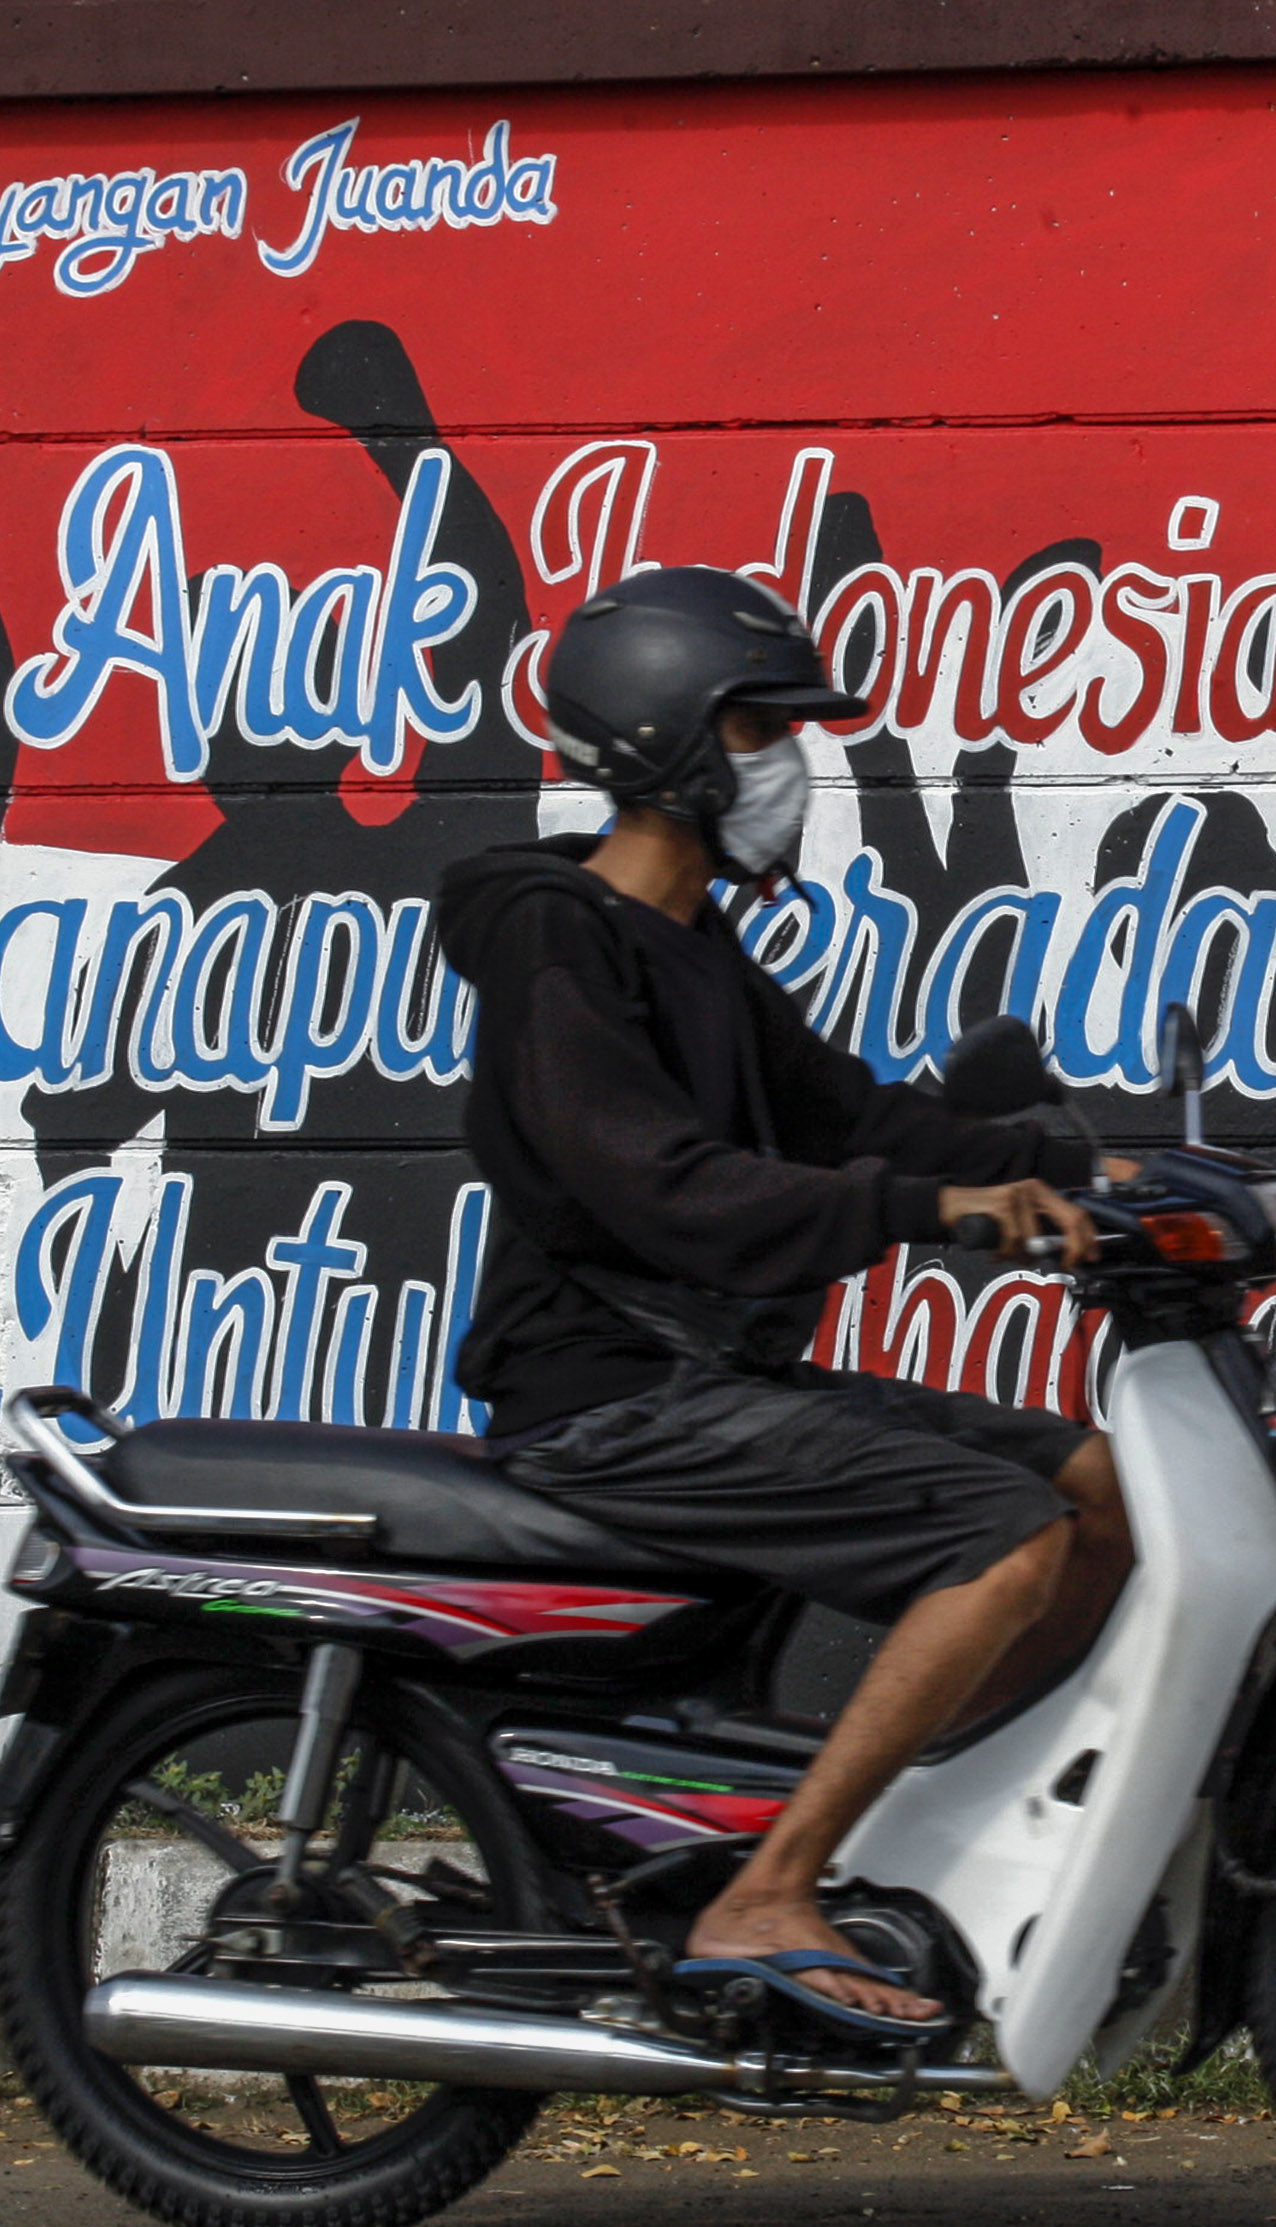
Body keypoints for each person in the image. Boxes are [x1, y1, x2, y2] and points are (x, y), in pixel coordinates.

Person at [439, 565, 1135, 2035]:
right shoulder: (557, 939)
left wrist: (1080, 1162)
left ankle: (918, 1837)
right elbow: (668, 1187)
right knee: (1004, 1537)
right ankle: (768, 1890)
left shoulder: (693, 944)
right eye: (759, 728)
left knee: (1101, 1488)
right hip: (612, 1394)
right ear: (662, 744)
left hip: (716, 1377)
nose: (790, 763)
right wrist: (933, 1211)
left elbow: (852, 1117)